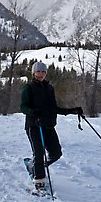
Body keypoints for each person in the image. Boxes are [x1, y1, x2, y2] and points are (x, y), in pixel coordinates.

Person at [20, 61, 83, 193]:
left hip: (48, 125)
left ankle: (36, 167)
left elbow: (54, 108)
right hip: (34, 126)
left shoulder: (50, 88)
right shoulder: (29, 88)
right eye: (38, 71)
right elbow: (23, 106)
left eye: (43, 71)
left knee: (56, 153)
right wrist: (31, 112)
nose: (41, 74)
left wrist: (72, 111)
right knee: (39, 153)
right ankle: (39, 184)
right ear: (34, 73)